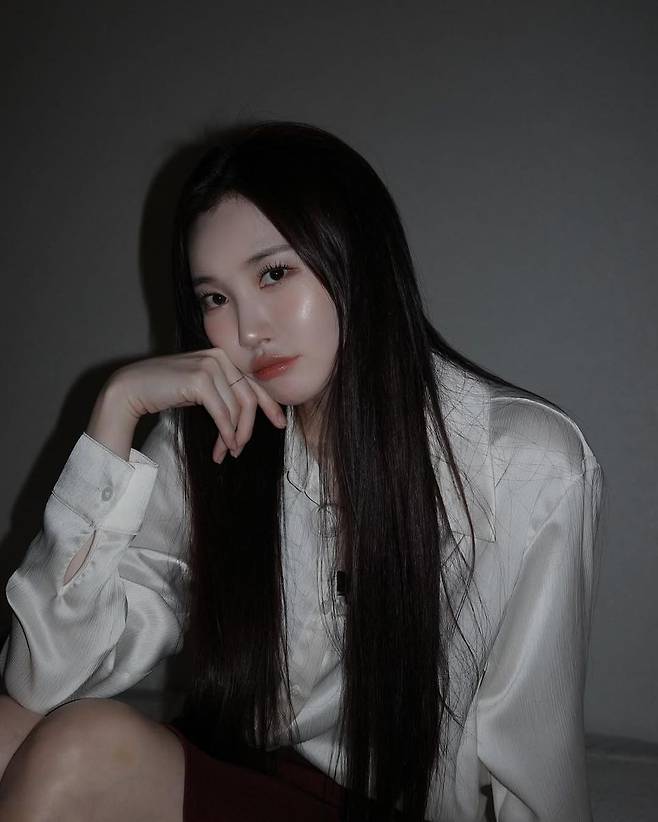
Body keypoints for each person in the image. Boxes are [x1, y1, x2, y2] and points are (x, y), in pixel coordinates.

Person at [0, 120, 604, 822]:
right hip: (237, 769)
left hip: (387, 803)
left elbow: (534, 756)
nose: (247, 329)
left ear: (357, 258)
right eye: (214, 298)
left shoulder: (525, 465)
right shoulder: (207, 437)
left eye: (274, 273)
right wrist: (116, 409)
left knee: (80, 750)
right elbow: (43, 678)